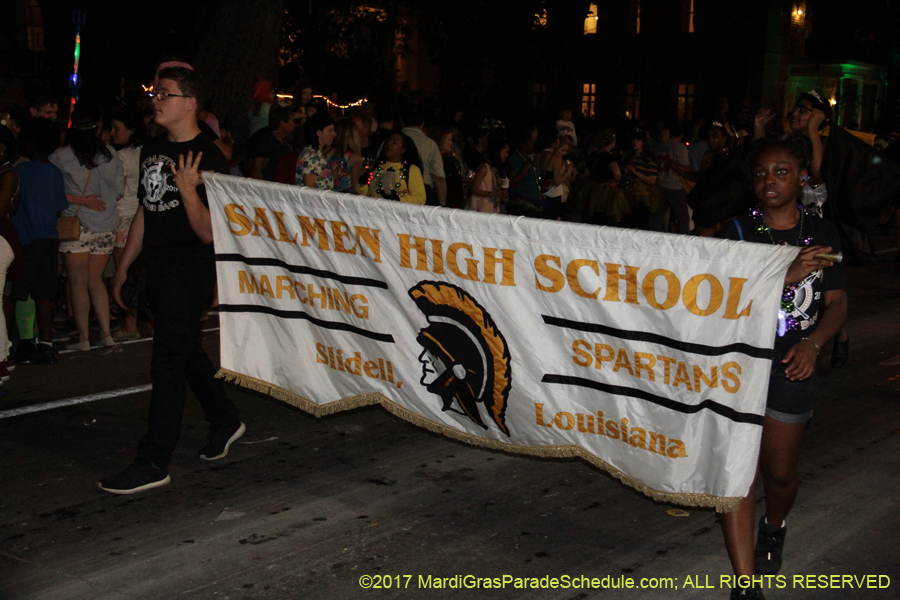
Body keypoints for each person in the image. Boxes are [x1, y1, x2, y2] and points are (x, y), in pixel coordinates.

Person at [102, 66, 243, 494]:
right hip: (156, 267)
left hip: (190, 269)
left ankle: (154, 459)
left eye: (165, 94)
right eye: (155, 93)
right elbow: (147, 208)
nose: (156, 100)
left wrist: (187, 190)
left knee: (166, 359)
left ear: (190, 103)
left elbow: (209, 233)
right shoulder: (151, 149)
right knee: (183, 351)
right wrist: (126, 263)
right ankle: (225, 418)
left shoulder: (210, 156)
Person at [717, 138, 847, 600]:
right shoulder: (735, 233)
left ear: (800, 178)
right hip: (739, 366)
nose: (768, 181)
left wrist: (814, 344)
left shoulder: (823, 234)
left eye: (780, 172)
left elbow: (836, 304)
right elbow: (715, 299)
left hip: (792, 365)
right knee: (737, 473)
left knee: (779, 474)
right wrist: (785, 274)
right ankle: (745, 584)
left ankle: (775, 523)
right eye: (760, 173)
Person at [50, 103, 122, 351]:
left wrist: (82, 200)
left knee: (77, 282)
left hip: (76, 225)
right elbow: (119, 192)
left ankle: (83, 338)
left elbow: (54, 194)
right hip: (106, 226)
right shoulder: (111, 155)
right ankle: (105, 333)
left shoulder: (60, 157)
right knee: (96, 280)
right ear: (98, 127)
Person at [11, 118, 68, 365]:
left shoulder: (20, 172)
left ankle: (21, 343)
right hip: (48, 239)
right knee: (44, 294)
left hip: (25, 240)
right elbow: (58, 207)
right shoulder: (54, 172)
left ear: (31, 144)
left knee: (18, 294)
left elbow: (13, 203)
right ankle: (46, 343)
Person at [109, 109, 145, 340]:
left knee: (124, 271)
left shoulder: (121, 157)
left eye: (117, 128)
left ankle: (130, 324)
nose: (112, 133)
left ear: (130, 131)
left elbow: (117, 190)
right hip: (142, 215)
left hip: (124, 217)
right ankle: (148, 319)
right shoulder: (146, 151)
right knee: (141, 270)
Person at [358, 131, 426, 204]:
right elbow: (365, 194)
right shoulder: (377, 166)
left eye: (394, 143)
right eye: (388, 141)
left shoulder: (412, 169)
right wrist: (362, 183)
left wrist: (398, 200)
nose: (389, 144)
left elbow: (420, 198)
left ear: (403, 150)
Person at [651, 121, 691, 234]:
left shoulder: (660, 146)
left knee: (657, 217)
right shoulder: (680, 148)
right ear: (681, 135)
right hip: (675, 186)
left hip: (660, 184)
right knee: (682, 218)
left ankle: (651, 239)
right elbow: (684, 168)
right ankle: (684, 241)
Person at [401, 110, 446, 206]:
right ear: (422, 123)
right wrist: (442, 204)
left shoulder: (390, 141)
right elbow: (438, 177)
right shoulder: (429, 144)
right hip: (422, 190)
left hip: (394, 188)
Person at [247, 104, 297, 181]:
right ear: (282, 123)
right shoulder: (267, 141)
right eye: (292, 121)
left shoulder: (286, 140)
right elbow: (257, 170)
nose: (294, 124)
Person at [468, 131, 508, 214]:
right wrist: (493, 193)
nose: (507, 155)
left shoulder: (494, 169)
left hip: (491, 209)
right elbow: (474, 189)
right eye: (505, 152)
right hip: (480, 210)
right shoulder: (484, 168)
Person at [429, 125, 466, 209]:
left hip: (450, 204)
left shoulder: (450, 162)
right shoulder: (430, 160)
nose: (451, 143)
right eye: (449, 140)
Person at [296, 113, 336, 190]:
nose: (334, 134)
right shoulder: (311, 156)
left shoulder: (317, 153)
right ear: (319, 132)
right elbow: (309, 190)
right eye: (330, 130)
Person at [330, 117, 363, 194]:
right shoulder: (354, 158)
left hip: (329, 196)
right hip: (346, 198)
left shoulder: (328, 153)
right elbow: (356, 188)